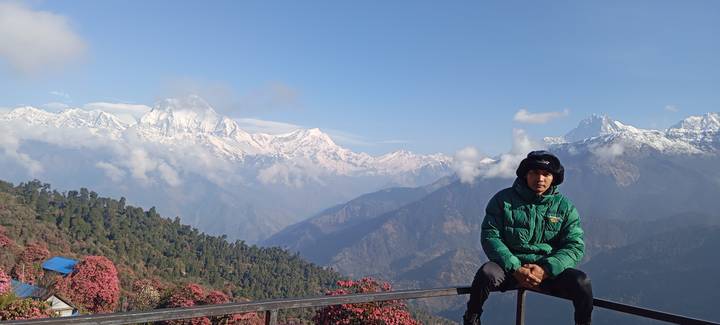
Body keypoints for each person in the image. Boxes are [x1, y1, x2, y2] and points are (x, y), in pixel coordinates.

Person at [463, 150, 593, 325]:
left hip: (547, 272)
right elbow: (490, 235)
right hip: (509, 268)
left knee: (581, 282)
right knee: (486, 274)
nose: (540, 179)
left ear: (554, 178)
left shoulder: (565, 208)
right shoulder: (503, 200)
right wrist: (515, 267)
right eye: (534, 173)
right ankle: (471, 319)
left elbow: (574, 246)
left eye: (546, 174)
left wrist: (546, 269)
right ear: (525, 174)